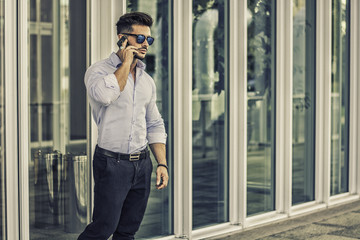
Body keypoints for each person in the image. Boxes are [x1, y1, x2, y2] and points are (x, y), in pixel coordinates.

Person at [78, 12, 169, 240]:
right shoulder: (98, 72)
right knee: (102, 229)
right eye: (139, 38)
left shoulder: (147, 80)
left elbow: (154, 123)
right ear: (122, 38)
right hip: (112, 163)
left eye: (149, 39)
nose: (145, 44)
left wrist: (162, 163)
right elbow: (107, 96)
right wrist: (126, 62)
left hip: (142, 164)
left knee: (127, 231)